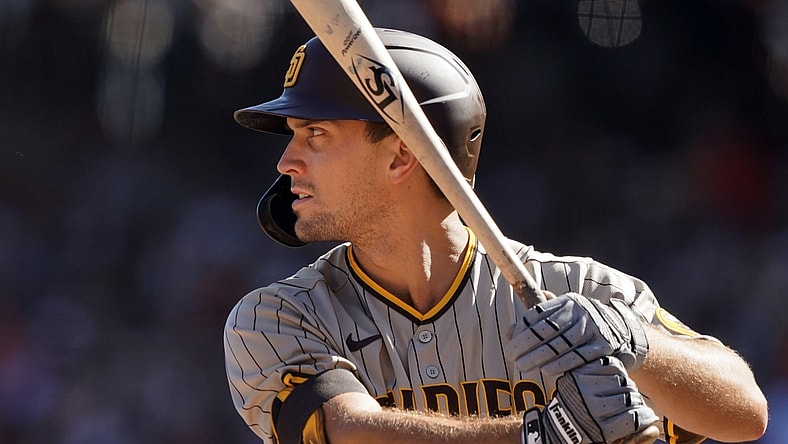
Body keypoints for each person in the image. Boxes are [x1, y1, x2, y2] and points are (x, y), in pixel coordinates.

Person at [224, 28, 768, 444]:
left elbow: (746, 413)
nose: (286, 161)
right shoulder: (279, 317)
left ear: (401, 155)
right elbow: (349, 431)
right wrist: (539, 436)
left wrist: (638, 344)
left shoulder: (571, 290)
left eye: (315, 134)